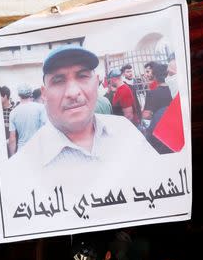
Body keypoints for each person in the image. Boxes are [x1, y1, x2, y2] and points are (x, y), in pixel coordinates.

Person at [8, 46, 157, 177]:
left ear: (96, 82)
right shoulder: (22, 169)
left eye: (82, 76)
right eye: (58, 81)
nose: (73, 93)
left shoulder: (126, 132)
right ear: (44, 94)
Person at [7, 83, 47, 156]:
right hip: (38, 149)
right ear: (31, 94)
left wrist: (12, 157)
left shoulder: (13, 112)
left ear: (19, 95)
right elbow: (45, 129)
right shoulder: (41, 108)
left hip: (22, 150)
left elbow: (12, 139)